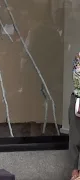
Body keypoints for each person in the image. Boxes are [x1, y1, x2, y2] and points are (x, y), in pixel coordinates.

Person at [69, 52, 80, 180]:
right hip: (78, 100)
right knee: (75, 137)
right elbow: (78, 81)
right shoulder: (79, 57)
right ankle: (75, 171)